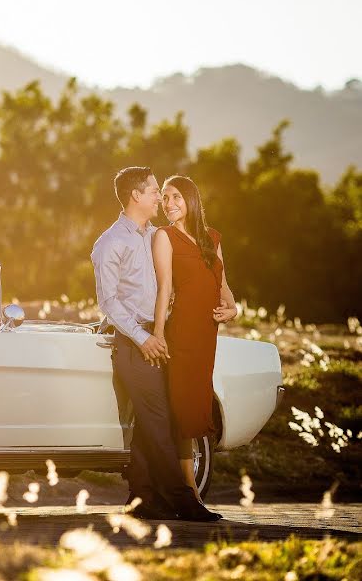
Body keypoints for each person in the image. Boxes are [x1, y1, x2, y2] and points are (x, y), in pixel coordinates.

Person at [91, 166, 221, 522]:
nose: (159, 199)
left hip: (161, 337)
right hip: (136, 344)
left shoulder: (151, 235)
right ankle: (183, 500)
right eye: (153, 192)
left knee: (149, 423)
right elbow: (109, 303)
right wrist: (144, 337)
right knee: (160, 420)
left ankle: (143, 498)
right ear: (136, 195)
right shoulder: (111, 242)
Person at [151, 175, 238, 501]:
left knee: (197, 408)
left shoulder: (213, 238)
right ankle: (189, 492)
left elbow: (223, 287)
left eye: (175, 197)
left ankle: (188, 490)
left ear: (190, 199)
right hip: (182, 335)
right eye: (164, 198)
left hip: (206, 337)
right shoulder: (165, 236)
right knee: (183, 410)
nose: (168, 204)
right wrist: (159, 335)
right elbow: (164, 289)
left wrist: (234, 310)